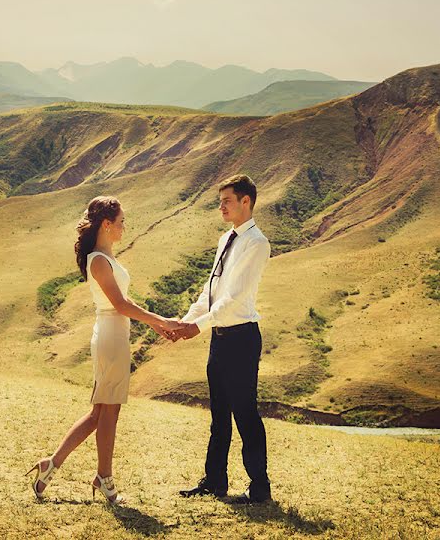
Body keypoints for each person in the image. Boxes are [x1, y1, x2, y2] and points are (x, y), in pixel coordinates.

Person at [26, 196, 183, 504]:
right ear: (107, 225)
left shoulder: (104, 258)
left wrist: (154, 324)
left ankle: (52, 466)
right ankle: (104, 478)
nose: (124, 227)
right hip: (111, 338)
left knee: (101, 412)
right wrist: (160, 320)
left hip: (114, 335)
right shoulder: (98, 260)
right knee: (108, 412)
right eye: (121, 222)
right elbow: (121, 304)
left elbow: (123, 305)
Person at [167, 175, 273, 504]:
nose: (221, 206)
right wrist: (185, 321)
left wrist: (195, 328)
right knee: (218, 415)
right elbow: (211, 293)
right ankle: (214, 482)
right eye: (221, 200)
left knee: (245, 414)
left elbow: (235, 300)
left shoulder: (257, 243)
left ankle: (259, 488)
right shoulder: (225, 239)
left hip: (241, 338)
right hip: (220, 338)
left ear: (246, 202)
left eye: (227, 200)